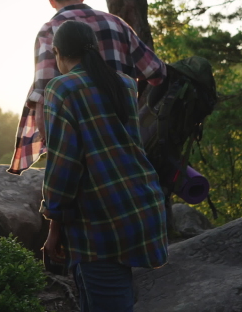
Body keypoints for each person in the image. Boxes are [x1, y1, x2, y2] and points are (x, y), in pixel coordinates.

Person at [40, 20, 168, 312]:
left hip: (100, 218)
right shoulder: (123, 83)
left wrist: (54, 228)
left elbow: (63, 166)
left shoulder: (62, 88)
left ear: (58, 53)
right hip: (139, 202)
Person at [8, 0, 166, 175]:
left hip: (80, 146)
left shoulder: (51, 30)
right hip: (125, 139)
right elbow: (156, 72)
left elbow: (43, 91)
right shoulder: (117, 24)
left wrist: (50, 140)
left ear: (51, 1)